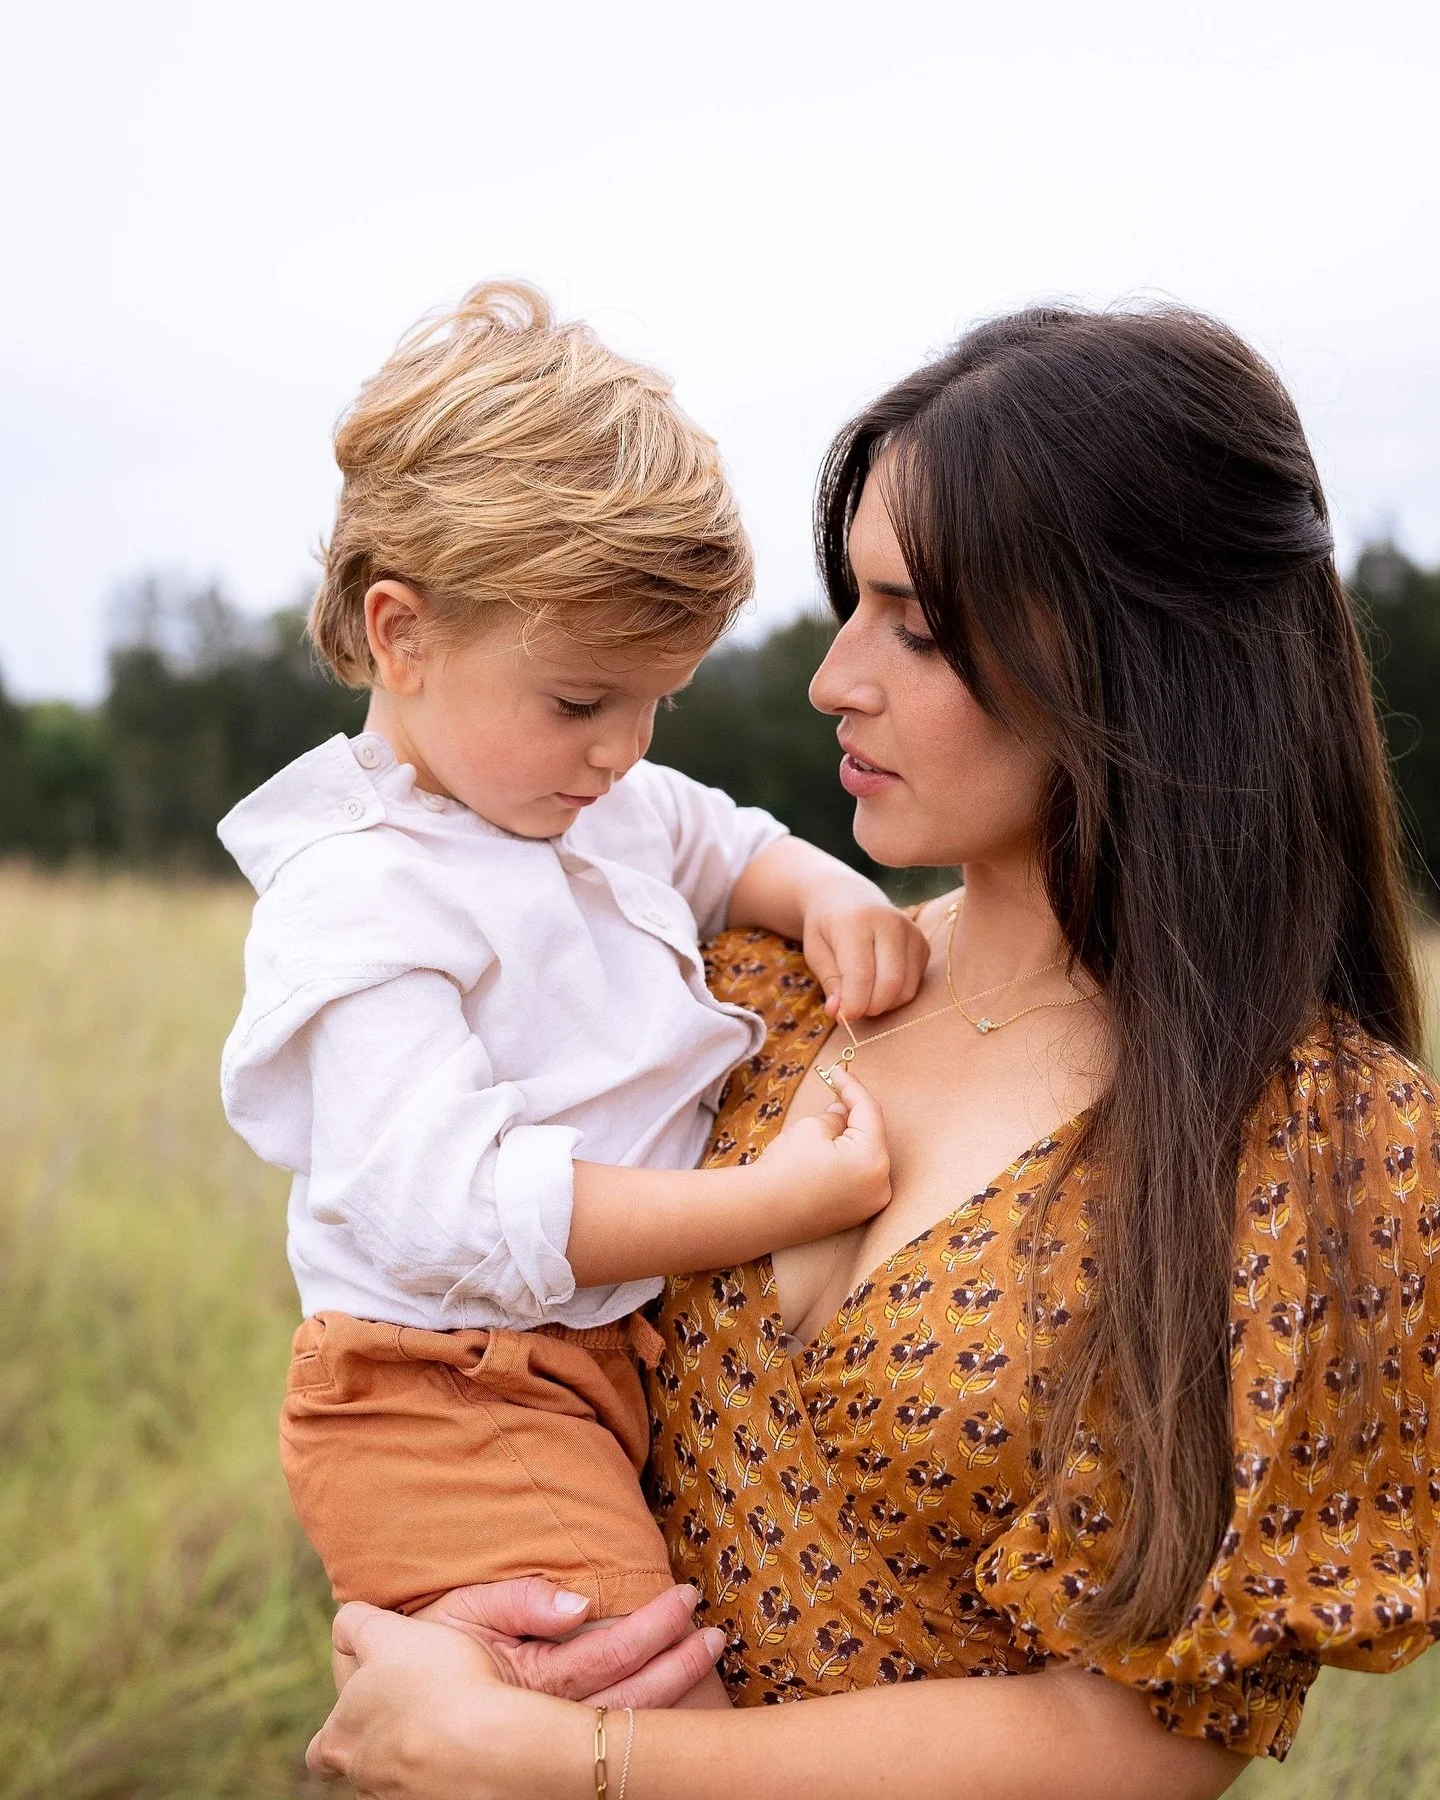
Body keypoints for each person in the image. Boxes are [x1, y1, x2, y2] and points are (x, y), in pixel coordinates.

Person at [305, 301, 1440, 1799]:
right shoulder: (753, 997)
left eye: (915, 624)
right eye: (854, 603)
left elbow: (1147, 1741)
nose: (836, 677)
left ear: (1137, 657)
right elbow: (452, 1337)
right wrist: (447, 1641)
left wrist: (576, 1756)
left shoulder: (1328, 1146)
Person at [217, 281, 926, 1665]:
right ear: (401, 633)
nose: (624, 749)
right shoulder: (361, 895)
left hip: (586, 1368)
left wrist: (825, 890)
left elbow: (724, 842)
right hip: (447, 1398)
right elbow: (467, 1212)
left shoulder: (585, 797)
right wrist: (772, 1203)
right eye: (582, 701)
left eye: (658, 700)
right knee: (641, 1699)